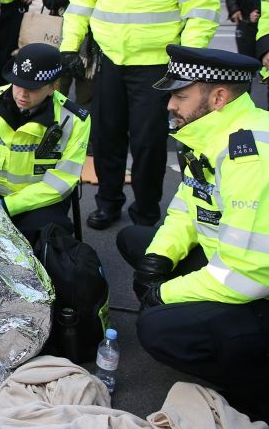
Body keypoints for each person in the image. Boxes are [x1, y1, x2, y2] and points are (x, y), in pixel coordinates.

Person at [61, 0, 220, 230]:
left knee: (149, 144)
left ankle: (147, 210)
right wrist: (70, 47)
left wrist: (188, 65)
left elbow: (202, 10)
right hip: (110, 62)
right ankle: (108, 203)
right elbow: (81, 0)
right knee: (106, 139)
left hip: (157, 66)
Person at [115, 45, 269, 418]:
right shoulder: (211, 133)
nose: (171, 105)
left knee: (156, 329)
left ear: (218, 97)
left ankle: (257, 380)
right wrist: (158, 260)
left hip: (255, 286)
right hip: (228, 256)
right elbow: (187, 208)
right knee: (137, 241)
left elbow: (246, 273)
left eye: (181, 95)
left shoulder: (248, 154)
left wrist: (164, 293)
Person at [0, 43, 91, 243]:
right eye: (18, 84)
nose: (22, 94)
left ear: (53, 87)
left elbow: (62, 180)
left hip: (38, 204)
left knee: (46, 242)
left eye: (32, 89)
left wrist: (8, 206)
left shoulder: (75, 120)